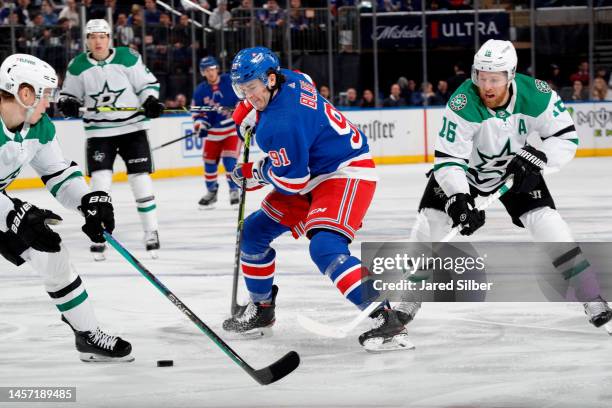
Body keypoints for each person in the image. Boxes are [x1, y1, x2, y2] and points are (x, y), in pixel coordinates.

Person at [221, 46, 416, 352]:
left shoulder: (280, 125)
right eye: (243, 90)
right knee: (253, 234)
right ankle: (262, 309)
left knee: (325, 247)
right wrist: (252, 109)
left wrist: (255, 171)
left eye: (253, 89)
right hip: (313, 172)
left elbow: (292, 179)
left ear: (270, 80)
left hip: (344, 172)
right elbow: (303, 81)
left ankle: (386, 317)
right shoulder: (290, 77)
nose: (248, 96)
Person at [409, 39, 612, 330]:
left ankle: (590, 294)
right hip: (466, 173)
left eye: (494, 78)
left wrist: (539, 158)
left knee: (547, 223)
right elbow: (450, 158)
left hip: (516, 169)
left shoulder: (538, 95)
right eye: (481, 77)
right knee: (432, 222)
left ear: (510, 76)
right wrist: (458, 198)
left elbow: (565, 138)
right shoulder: (463, 101)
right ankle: (405, 301)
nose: (486, 86)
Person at [0, 53, 133, 362]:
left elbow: (57, 173)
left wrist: (88, 201)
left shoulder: (37, 125)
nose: (50, 102)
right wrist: (12, 214)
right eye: (46, 94)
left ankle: (87, 334)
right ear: (24, 92)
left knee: (52, 253)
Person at [58, 19, 165, 260]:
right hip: (99, 132)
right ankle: (100, 234)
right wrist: (69, 104)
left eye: (102, 36)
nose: (98, 41)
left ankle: (151, 231)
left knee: (140, 179)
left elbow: (147, 85)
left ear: (109, 38)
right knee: (100, 181)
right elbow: (67, 96)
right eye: (93, 37)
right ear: (86, 40)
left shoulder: (127, 57)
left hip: (132, 127)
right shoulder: (77, 66)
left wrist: (149, 100)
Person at [192, 56, 242, 209]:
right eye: (207, 70)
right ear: (203, 72)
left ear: (217, 69)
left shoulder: (229, 81)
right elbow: (197, 114)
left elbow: (242, 99)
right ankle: (212, 192)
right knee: (209, 163)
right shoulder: (200, 91)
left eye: (212, 69)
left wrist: (237, 113)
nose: (211, 73)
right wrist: (201, 126)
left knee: (229, 161)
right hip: (213, 134)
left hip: (231, 131)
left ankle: (234, 190)